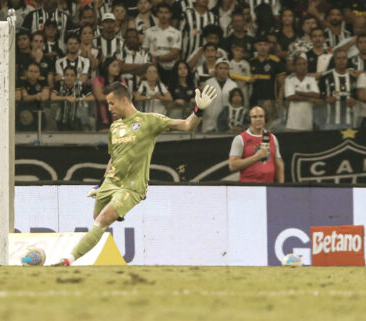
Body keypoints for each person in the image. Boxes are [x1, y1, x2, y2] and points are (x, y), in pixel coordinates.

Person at [53, 83, 218, 266]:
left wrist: (198, 110)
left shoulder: (148, 121)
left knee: (103, 219)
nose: (109, 109)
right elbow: (113, 158)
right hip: (111, 183)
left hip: (132, 186)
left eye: (111, 103)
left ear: (124, 100)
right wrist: (101, 184)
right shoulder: (114, 127)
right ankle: (112, 212)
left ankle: (68, 259)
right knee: (98, 219)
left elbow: (187, 126)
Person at [228, 106, 284, 183]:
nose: (258, 119)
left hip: (269, 186)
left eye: (261, 116)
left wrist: (281, 186)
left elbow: (279, 164)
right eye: (254, 117)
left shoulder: (272, 137)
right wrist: (256, 157)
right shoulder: (240, 139)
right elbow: (232, 166)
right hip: (248, 187)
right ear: (249, 119)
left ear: (265, 118)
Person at [284, 55, 322, 131]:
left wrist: (300, 93)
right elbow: (290, 96)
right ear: (294, 66)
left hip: (307, 123)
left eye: (304, 64)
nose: (302, 66)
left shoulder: (311, 79)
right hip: (292, 124)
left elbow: (317, 95)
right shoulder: (289, 79)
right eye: (299, 64)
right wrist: (310, 99)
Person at [202, 58, 238, 132]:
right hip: (209, 123)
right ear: (216, 69)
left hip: (227, 125)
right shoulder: (208, 83)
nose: (223, 71)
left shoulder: (233, 85)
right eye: (220, 68)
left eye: (226, 68)